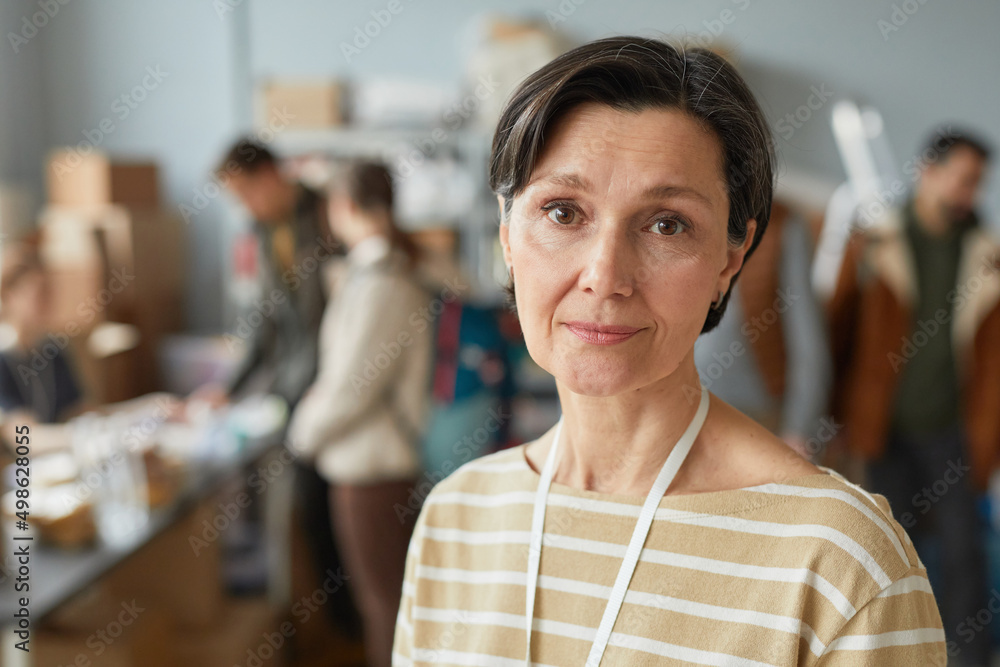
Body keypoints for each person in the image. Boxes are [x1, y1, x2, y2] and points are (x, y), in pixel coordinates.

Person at [393, 36, 946, 665]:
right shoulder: (455, 519)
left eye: (666, 224)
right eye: (563, 212)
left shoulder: (841, 564)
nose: (605, 276)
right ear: (507, 236)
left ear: (730, 260)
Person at [829, 128, 997, 666]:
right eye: (964, 179)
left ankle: (968, 659)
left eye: (978, 182)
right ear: (928, 170)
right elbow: (838, 332)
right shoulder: (876, 243)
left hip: (953, 430)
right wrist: (835, 419)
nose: (970, 193)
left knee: (965, 551)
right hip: (883, 429)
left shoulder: (987, 255)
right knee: (886, 552)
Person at [288, 161, 433, 667]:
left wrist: (300, 435)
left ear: (343, 206)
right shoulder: (376, 274)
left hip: (375, 472)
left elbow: (351, 388)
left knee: (385, 609)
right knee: (385, 605)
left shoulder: (382, 283)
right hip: (372, 468)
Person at [695, 199, 833, 460]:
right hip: (685, 410)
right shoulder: (691, 213)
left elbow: (808, 340)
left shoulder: (782, 225)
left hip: (757, 416)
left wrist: (799, 429)